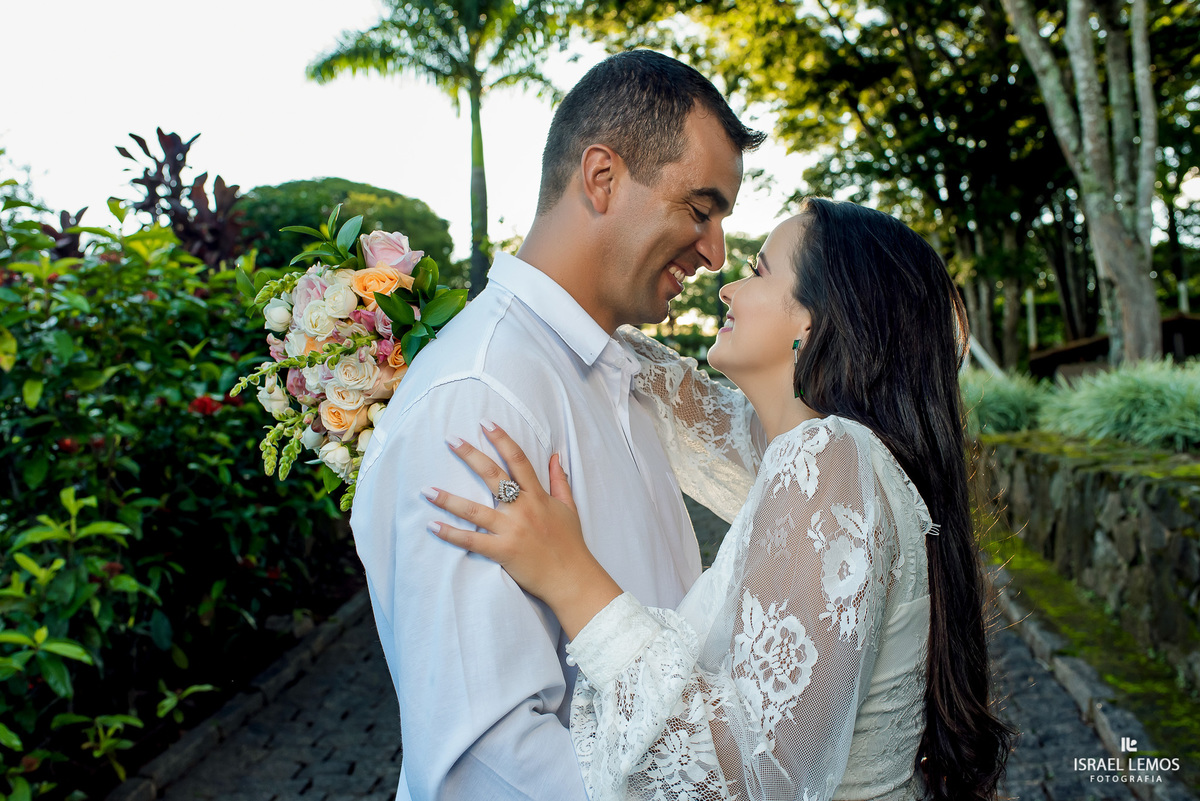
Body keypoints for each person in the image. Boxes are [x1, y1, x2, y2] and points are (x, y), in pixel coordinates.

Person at [425, 198, 1015, 800]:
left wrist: (570, 576)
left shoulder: (831, 456)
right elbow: (656, 385)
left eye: (759, 271)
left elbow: (752, 782)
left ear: (815, 322)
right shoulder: (821, 455)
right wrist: (404, 314)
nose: (728, 286)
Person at [350, 49, 765, 800]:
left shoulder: (623, 377)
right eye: (700, 211)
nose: (715, 251)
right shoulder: (480, 399)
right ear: (602, 178)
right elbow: (484, 763)